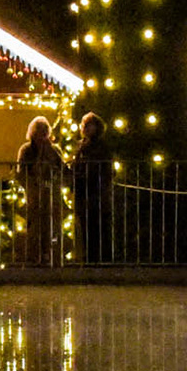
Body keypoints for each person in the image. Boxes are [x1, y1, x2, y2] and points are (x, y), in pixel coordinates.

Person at [15, 116, 65, 266]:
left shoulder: (54, 150)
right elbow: (21, 171)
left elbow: (61, 168)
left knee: (51, 224)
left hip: (51, 192)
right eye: (39, 131)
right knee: (34, 224)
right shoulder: (26, 150)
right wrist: (30, 184)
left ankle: (50, 254)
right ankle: (34, 254)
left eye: (44, 130)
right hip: (34, 193)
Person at [72, 112, 109, 264]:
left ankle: (98, 258)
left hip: (96, 191)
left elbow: (102, 168)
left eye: (89, 125)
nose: (85, 128)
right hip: (83, 191)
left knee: (97, 225)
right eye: (84, 125)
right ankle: (88, 257)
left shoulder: (100, 146)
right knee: (85, 226)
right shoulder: (81, 145)